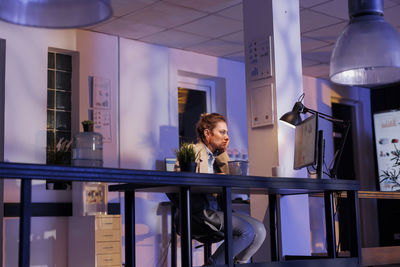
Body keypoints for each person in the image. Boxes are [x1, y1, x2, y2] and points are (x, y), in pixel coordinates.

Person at [181, 113, 266, 265]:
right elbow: (182, 181)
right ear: (207, 133)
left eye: (227, 132)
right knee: (246, 231)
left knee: (259, 230)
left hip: (217, 209)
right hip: (200, 212)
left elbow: (233, 175)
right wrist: (213, 179)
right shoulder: (191, 150)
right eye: (222, 132)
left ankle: (237, 263)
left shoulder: (214, 156)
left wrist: (222, 152)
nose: (226, 137)